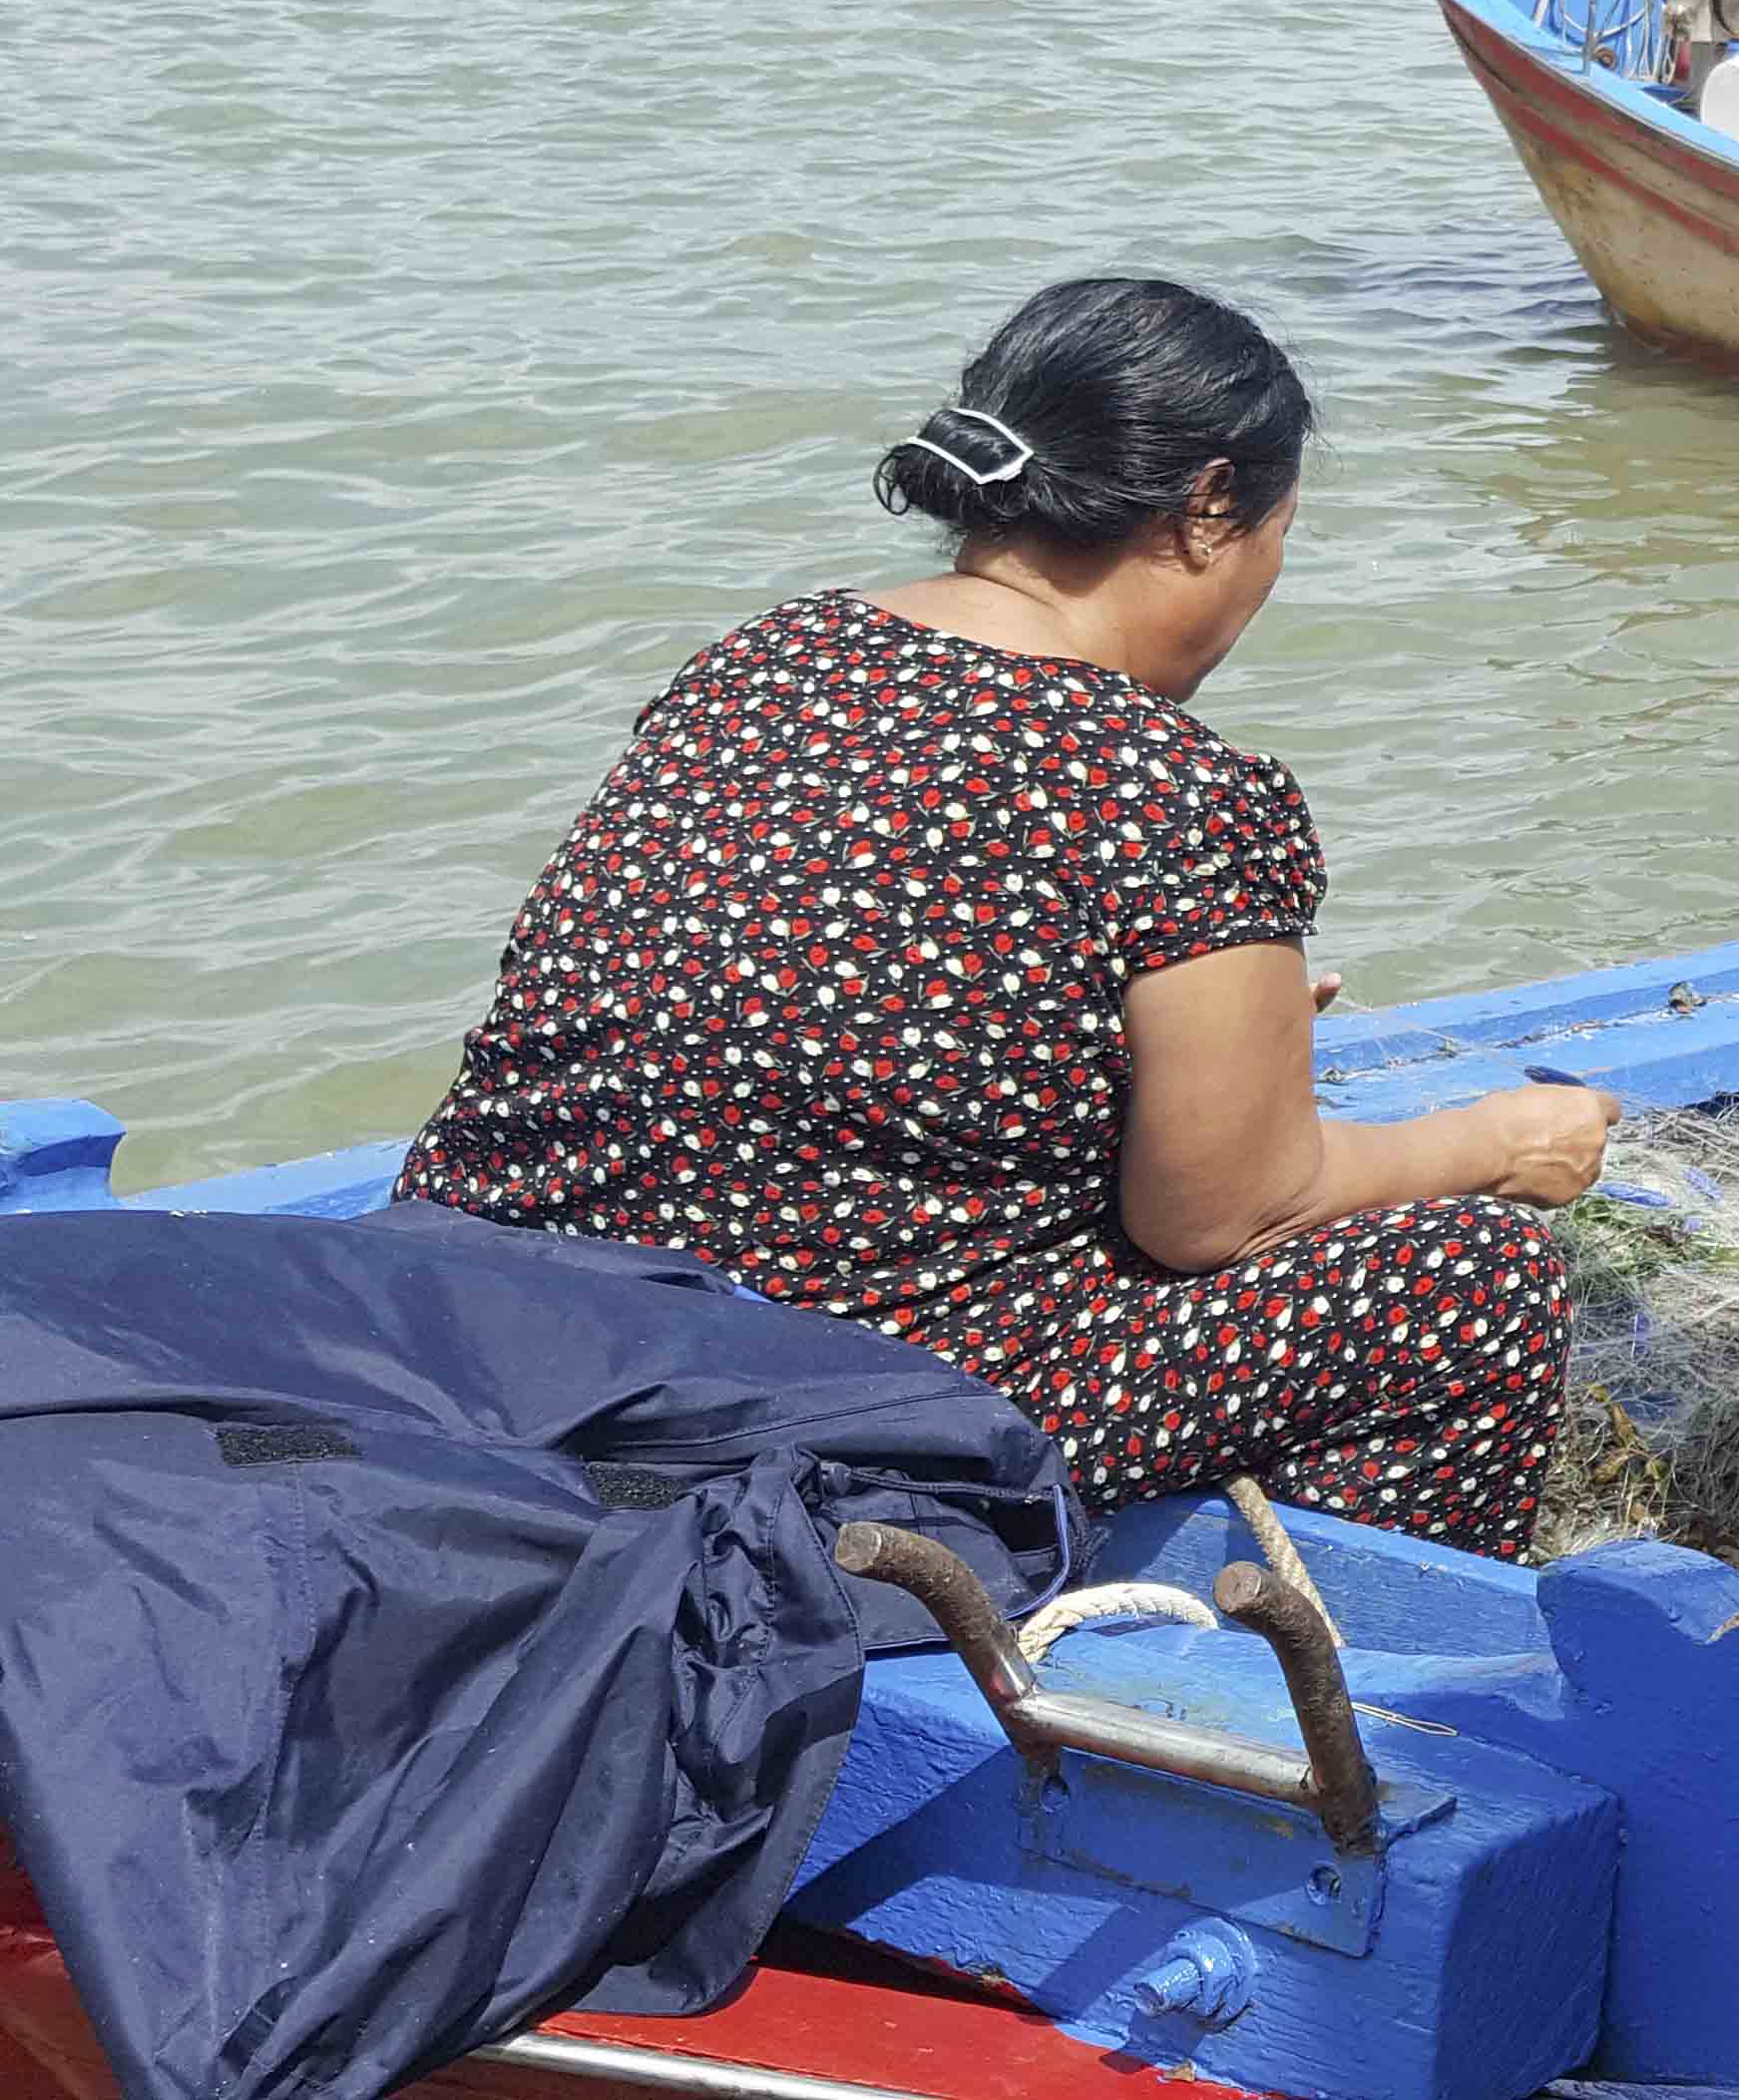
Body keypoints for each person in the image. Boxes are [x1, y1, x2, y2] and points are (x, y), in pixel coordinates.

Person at [394, 278, 1609, 1558]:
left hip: (500, 1310)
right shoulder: (1166, 781)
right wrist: (1492, 1143)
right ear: (1207, 512)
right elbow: (1226, 1215)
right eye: (1277, 535)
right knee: (1475, 1291)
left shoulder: (760, 661)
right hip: (806, 1392)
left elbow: (840, 978)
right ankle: (1287, 1681)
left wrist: (1135, 1050)